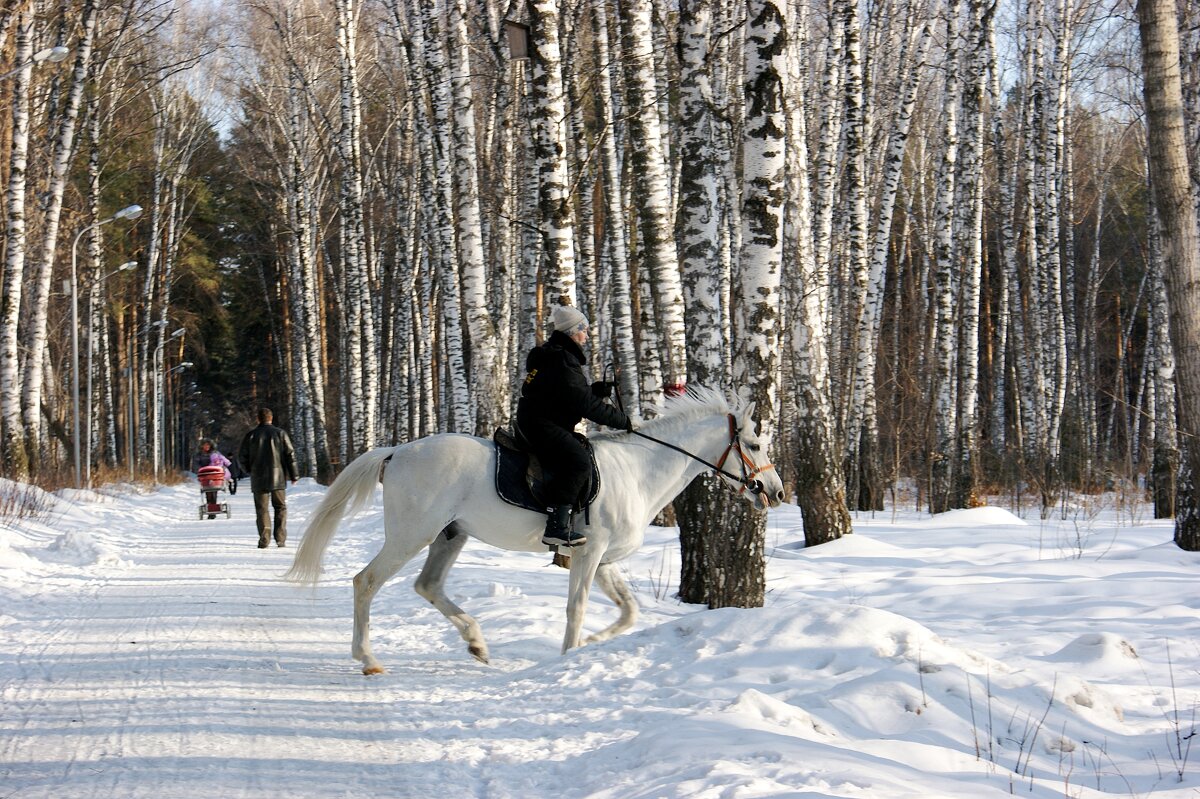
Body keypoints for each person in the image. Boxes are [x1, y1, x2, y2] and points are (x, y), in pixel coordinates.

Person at [516, 304, 633, 548]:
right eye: (584, 330)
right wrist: (622, 421)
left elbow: (564, 395)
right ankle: (556, 527)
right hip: (542, 425)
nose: (587, 335)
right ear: (572, 331)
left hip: (537, 419)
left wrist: (594, 391)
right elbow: (584, 406)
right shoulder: (562, 359)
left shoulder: (553, 355)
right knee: (579, 462)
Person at [238, 408, 299, 548]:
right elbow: (290, 455)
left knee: (262, 509)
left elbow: (241, 457)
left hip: (258, 477)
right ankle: (280, 538)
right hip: (278, 477)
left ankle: (264, 539)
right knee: (280, 507)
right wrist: (294, 474)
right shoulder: (280, 433)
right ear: (271, 418)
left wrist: (249, 470)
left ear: (258, 419)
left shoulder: (251, 435)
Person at [194, 439, 233, 520]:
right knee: (208, 492)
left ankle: (213, 509)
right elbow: (196, 464)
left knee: (214, 491)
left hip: (215, 475)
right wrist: (199, 470)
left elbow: (225, 462)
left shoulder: (215, 453)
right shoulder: (199, 455)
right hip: (205, 475)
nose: (206, 447)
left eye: (208, 445)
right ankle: (210, 508)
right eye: (204, 445)